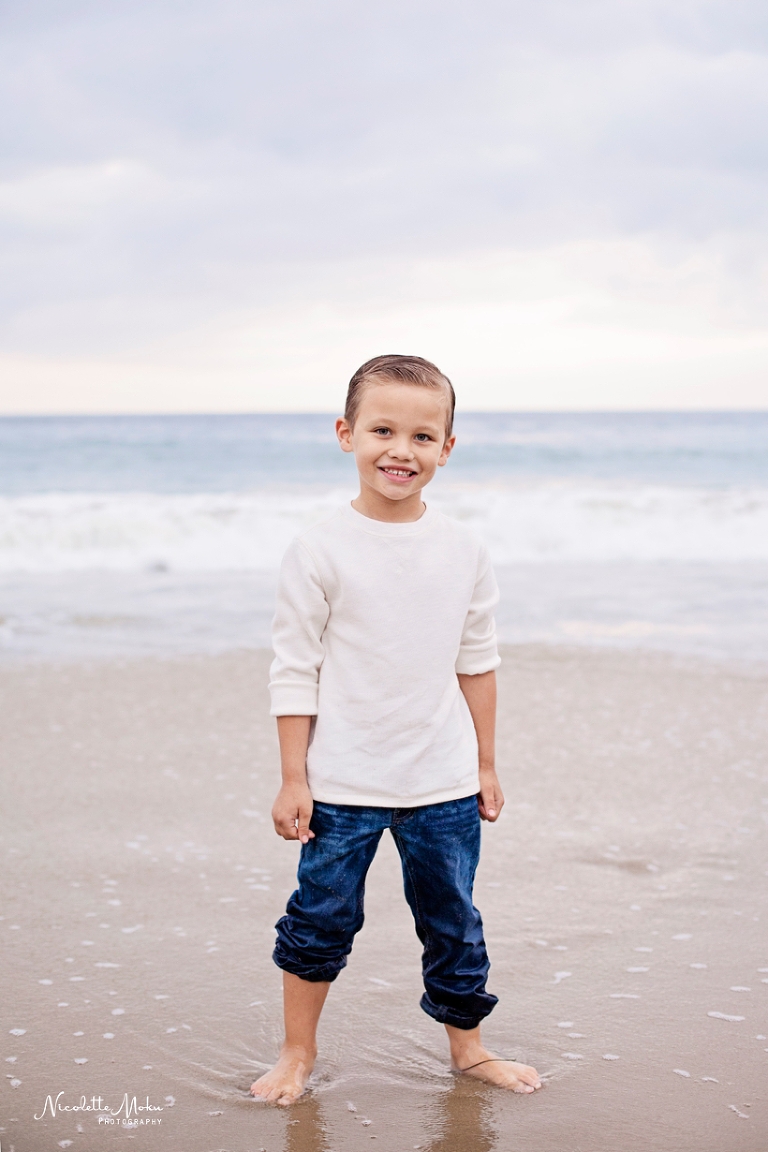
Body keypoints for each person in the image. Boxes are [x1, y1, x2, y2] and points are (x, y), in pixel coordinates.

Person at [250, 354, 541, 1105]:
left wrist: (485, 764)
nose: (400, 450)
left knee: (453, 922)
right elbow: (294, 670)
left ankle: (469, 1049)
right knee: (319, 920)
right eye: (382, 429)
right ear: (347, 433)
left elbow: (477, 661)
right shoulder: (318, 548)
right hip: (342, 783)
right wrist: (293, 777)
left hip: (441, 781)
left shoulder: (465, 549)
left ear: (447, 447)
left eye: (421, 435)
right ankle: (296, 1053)